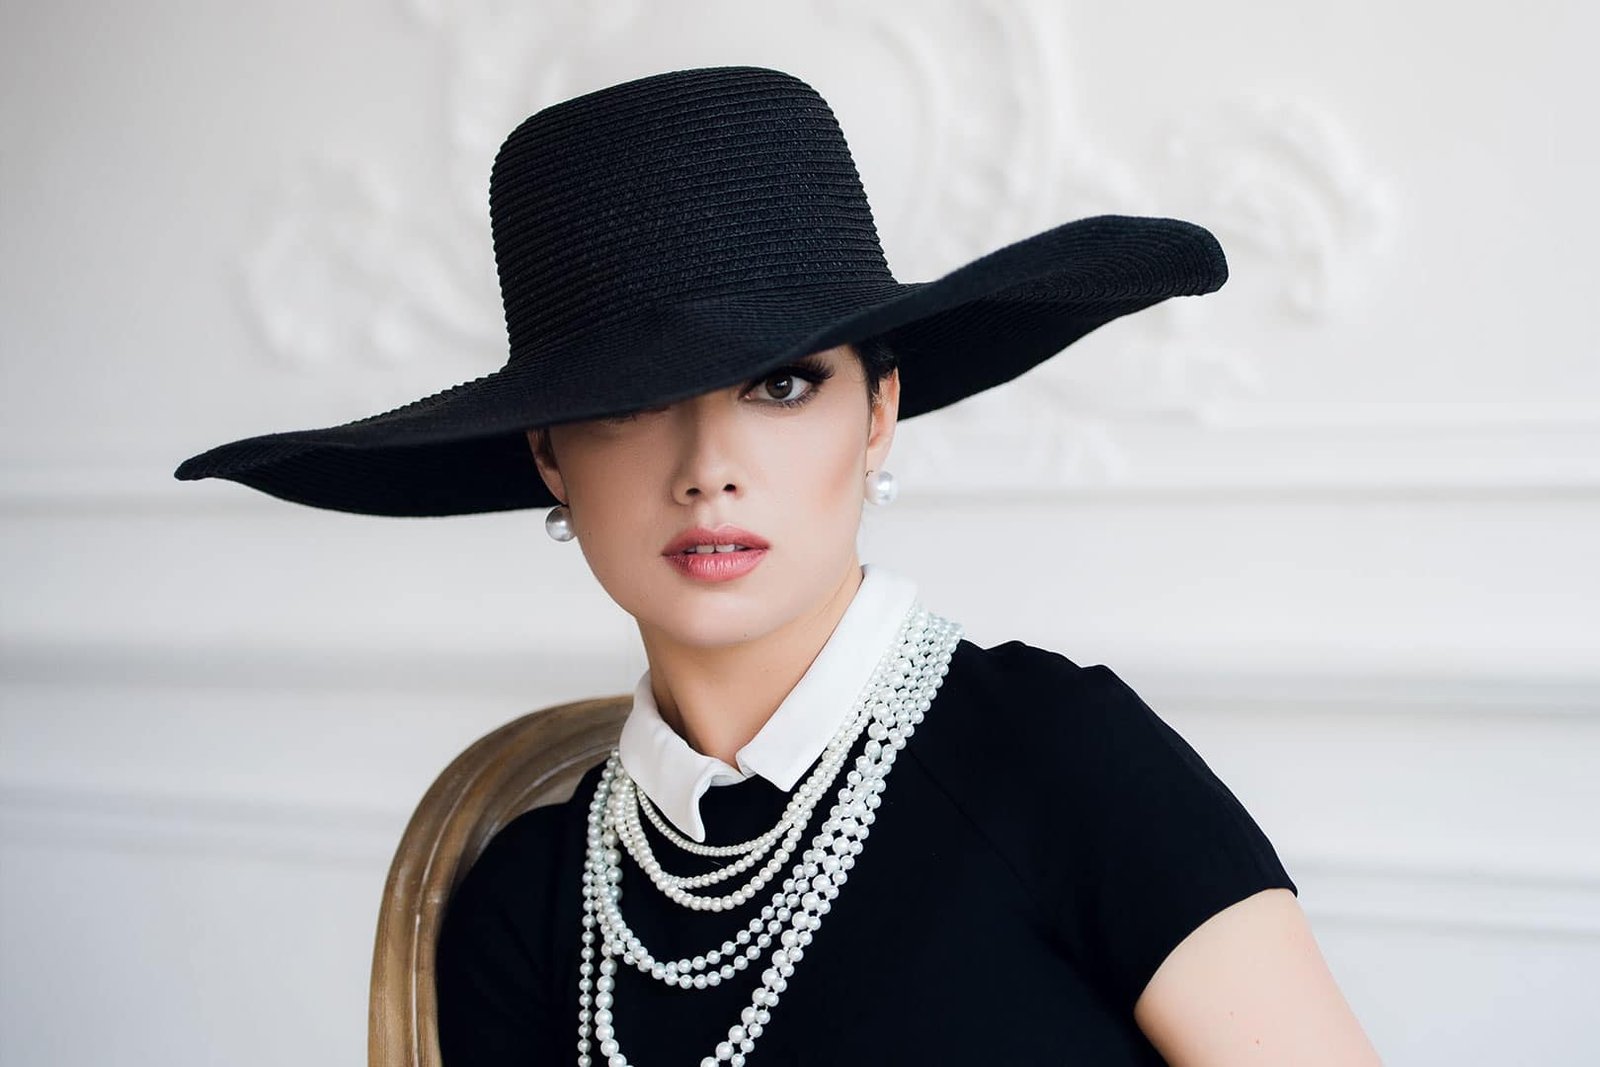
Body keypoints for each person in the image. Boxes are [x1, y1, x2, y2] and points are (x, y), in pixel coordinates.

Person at [174, 66, 1382, 1065]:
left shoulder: (1060, 758)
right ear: (548, 456)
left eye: (783, 385)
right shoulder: (530, 904)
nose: (708, 468)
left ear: (877, 414)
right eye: (630, 402)